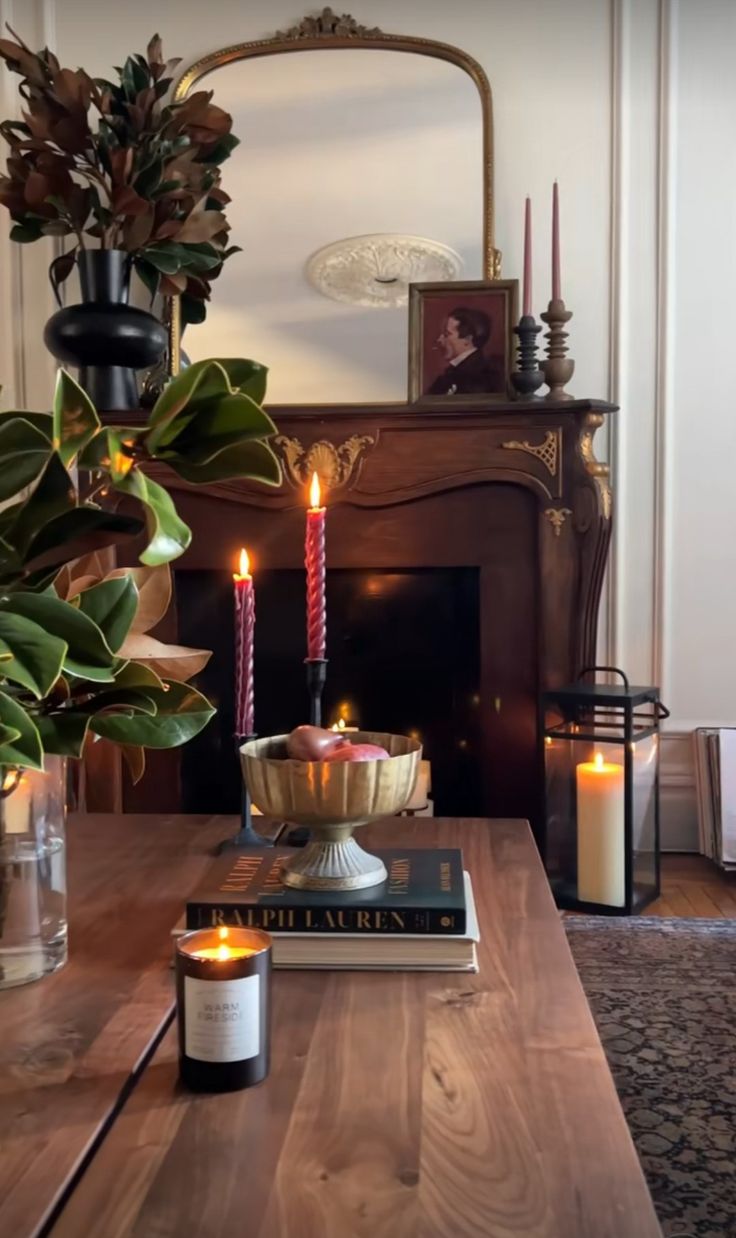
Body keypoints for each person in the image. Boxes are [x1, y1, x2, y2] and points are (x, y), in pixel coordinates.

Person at [426, 305, 504, 395]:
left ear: (467, 340)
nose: (439, 340)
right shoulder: (451, 373)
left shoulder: (482, 375)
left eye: (447, 334)